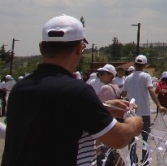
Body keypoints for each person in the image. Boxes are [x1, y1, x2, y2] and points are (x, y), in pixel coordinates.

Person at [1, 14, 143, 166]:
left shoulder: (20, 89)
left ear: (41, 47)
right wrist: (134, 124)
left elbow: (53, 117)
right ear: (78, 49)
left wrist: (99, 108)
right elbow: (118, 138)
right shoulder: (78, 92)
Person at [121, 54, 167, 164]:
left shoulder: (128, 78)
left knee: (131, 139)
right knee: (145, 138)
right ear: (145, 65)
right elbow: (151, 91)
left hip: (132, 113)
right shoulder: (146, 76)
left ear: (135, 64)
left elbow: (123, 94)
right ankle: (145, 160)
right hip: (144, 112)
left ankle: (132, 160)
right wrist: (159, 105)